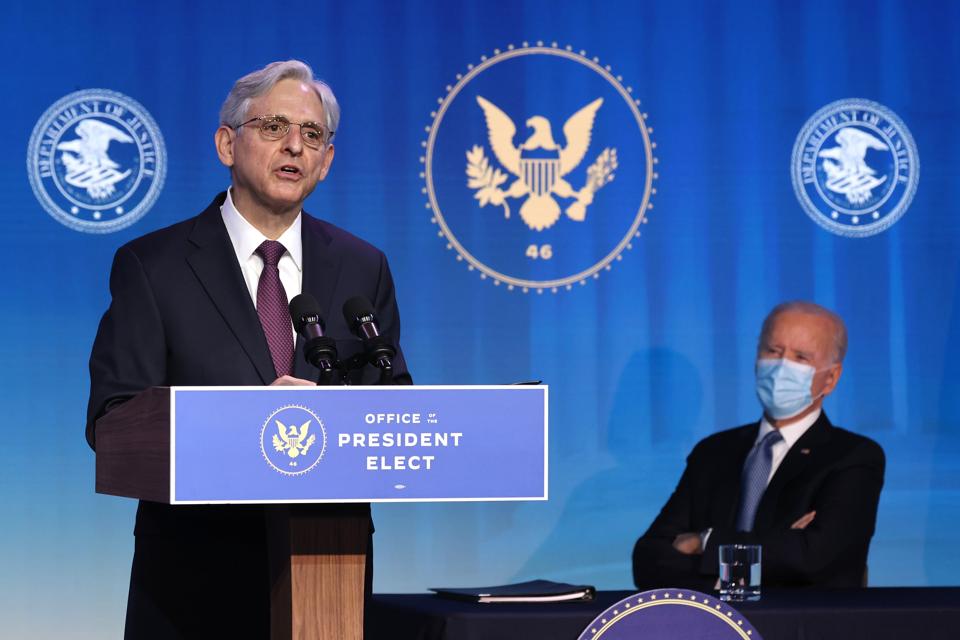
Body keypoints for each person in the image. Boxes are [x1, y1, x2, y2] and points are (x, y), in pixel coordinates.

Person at [86, 60, 410, 638]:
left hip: (328, 568)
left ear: (327, 162)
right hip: (193, 581)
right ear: (226, 144)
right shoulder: (152, 267)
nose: (294, 146)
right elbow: (111, 425)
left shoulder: (364, 267)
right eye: (273, 127)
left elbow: (391, 403)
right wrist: (246, 422)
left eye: (312, 135)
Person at [632, 301, 884, 591]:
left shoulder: (853, 456)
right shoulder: (713, 452)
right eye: (773, 351)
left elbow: (812, 559)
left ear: (831, 377)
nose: (781, 367)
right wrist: (772, 550)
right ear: (756, 357)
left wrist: (704, 542)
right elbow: (649, 559)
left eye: (801, 357)